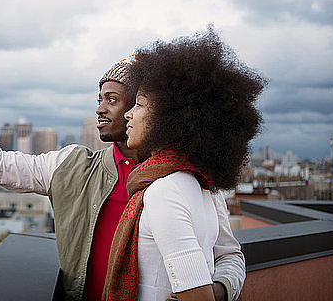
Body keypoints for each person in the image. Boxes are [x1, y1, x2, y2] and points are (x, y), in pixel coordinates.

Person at [0, 49, 246, 301]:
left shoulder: (188, 180)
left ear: (146, 108)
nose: (99, 108)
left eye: (112, 99)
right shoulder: (73, 166)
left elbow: (229, 256)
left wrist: (216, 291)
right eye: (99, 99)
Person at [103, 31, 265, 301]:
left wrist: (212, 292)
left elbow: (198, 295)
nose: (129, 113)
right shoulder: (203, 184)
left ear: (170, 117)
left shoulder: (165, 191)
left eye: (140, 104)